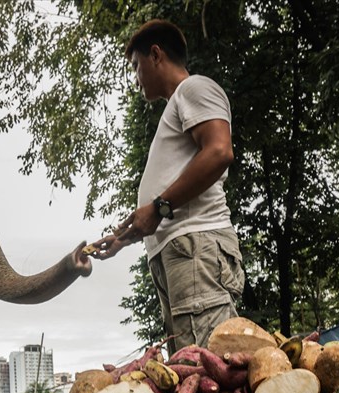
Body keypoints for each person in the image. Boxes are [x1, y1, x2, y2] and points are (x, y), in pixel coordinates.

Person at [91, 19, 244, 355]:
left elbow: (219, 151)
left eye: (136, 66)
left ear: (156, 55)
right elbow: (171, 198)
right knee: (189, 371)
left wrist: (159, 208)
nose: (135, 77)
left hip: (197, 247)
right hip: (178, 252)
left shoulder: (194, 88)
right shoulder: (176, 107)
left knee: (208, 367)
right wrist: (123, 238)